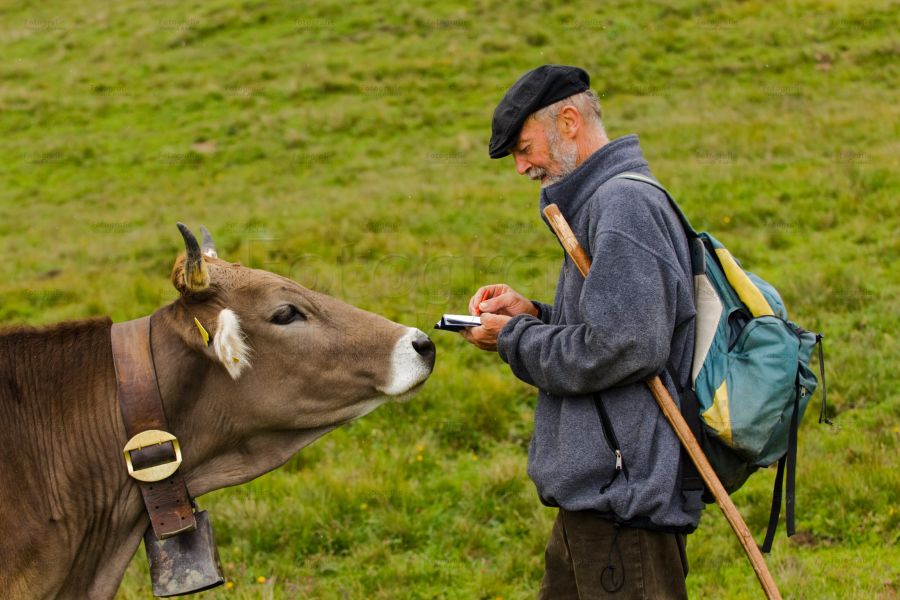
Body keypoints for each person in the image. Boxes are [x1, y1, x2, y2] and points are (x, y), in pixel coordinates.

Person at [460, 65, 703, 599]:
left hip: (623, 506)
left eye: (524, 149)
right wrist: (532, 314)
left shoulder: (624, 206)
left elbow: (624, 346)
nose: (521, 167)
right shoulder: (598, 203)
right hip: (592, 503)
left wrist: (513, 338)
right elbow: (613, 327)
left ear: (569, 122)